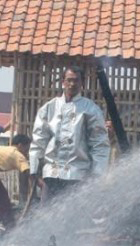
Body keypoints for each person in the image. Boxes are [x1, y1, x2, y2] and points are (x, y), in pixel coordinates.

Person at [29, 66, 110, 203]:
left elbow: (99, 143)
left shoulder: (91, 109)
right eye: (69, 80)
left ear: (82, 83)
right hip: (52, 174)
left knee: (73, 219)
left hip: (78, 175)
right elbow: (39, 139)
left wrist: (97, 173)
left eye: (76, 81)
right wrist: (34, 168)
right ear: (63, 82)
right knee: (46, 216)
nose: (72, 84)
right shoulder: (49, 107)